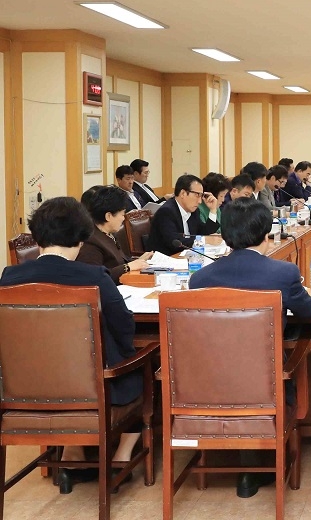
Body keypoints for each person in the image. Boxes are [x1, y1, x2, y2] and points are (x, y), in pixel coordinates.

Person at [0, 197, 142, 494]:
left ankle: (72, 455)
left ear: (37, 235)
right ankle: (121, 455)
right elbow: (124, 326)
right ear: (81, 237)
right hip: (95, 391)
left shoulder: (9, 278)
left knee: (63, 368)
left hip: (25, 390)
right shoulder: (92, 277)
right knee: (140, 364)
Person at [189, 197, 311, 498]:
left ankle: (247, 464)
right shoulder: (282, 274)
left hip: (210, 384)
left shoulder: (200, 278)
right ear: (267, 233)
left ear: (224, 234)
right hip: (266, 385)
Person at [77, 185, 154, 284]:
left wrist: (139, 260)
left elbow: (117, 262)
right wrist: (128, 267)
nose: (123, 218)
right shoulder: (91, 241)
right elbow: (95, 277)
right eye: (122, 214)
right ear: (108, 216)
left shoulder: (109, 233)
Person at [147, 174, 221, 255]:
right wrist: (204, 240)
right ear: (183, 193)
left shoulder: (193, 211)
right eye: (197, 195)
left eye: (201, 196)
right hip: (166, 259)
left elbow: (204, 232)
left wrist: (213, 210)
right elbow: (174, 243)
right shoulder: (166, 212)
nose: (200, 201)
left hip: (186, 256)